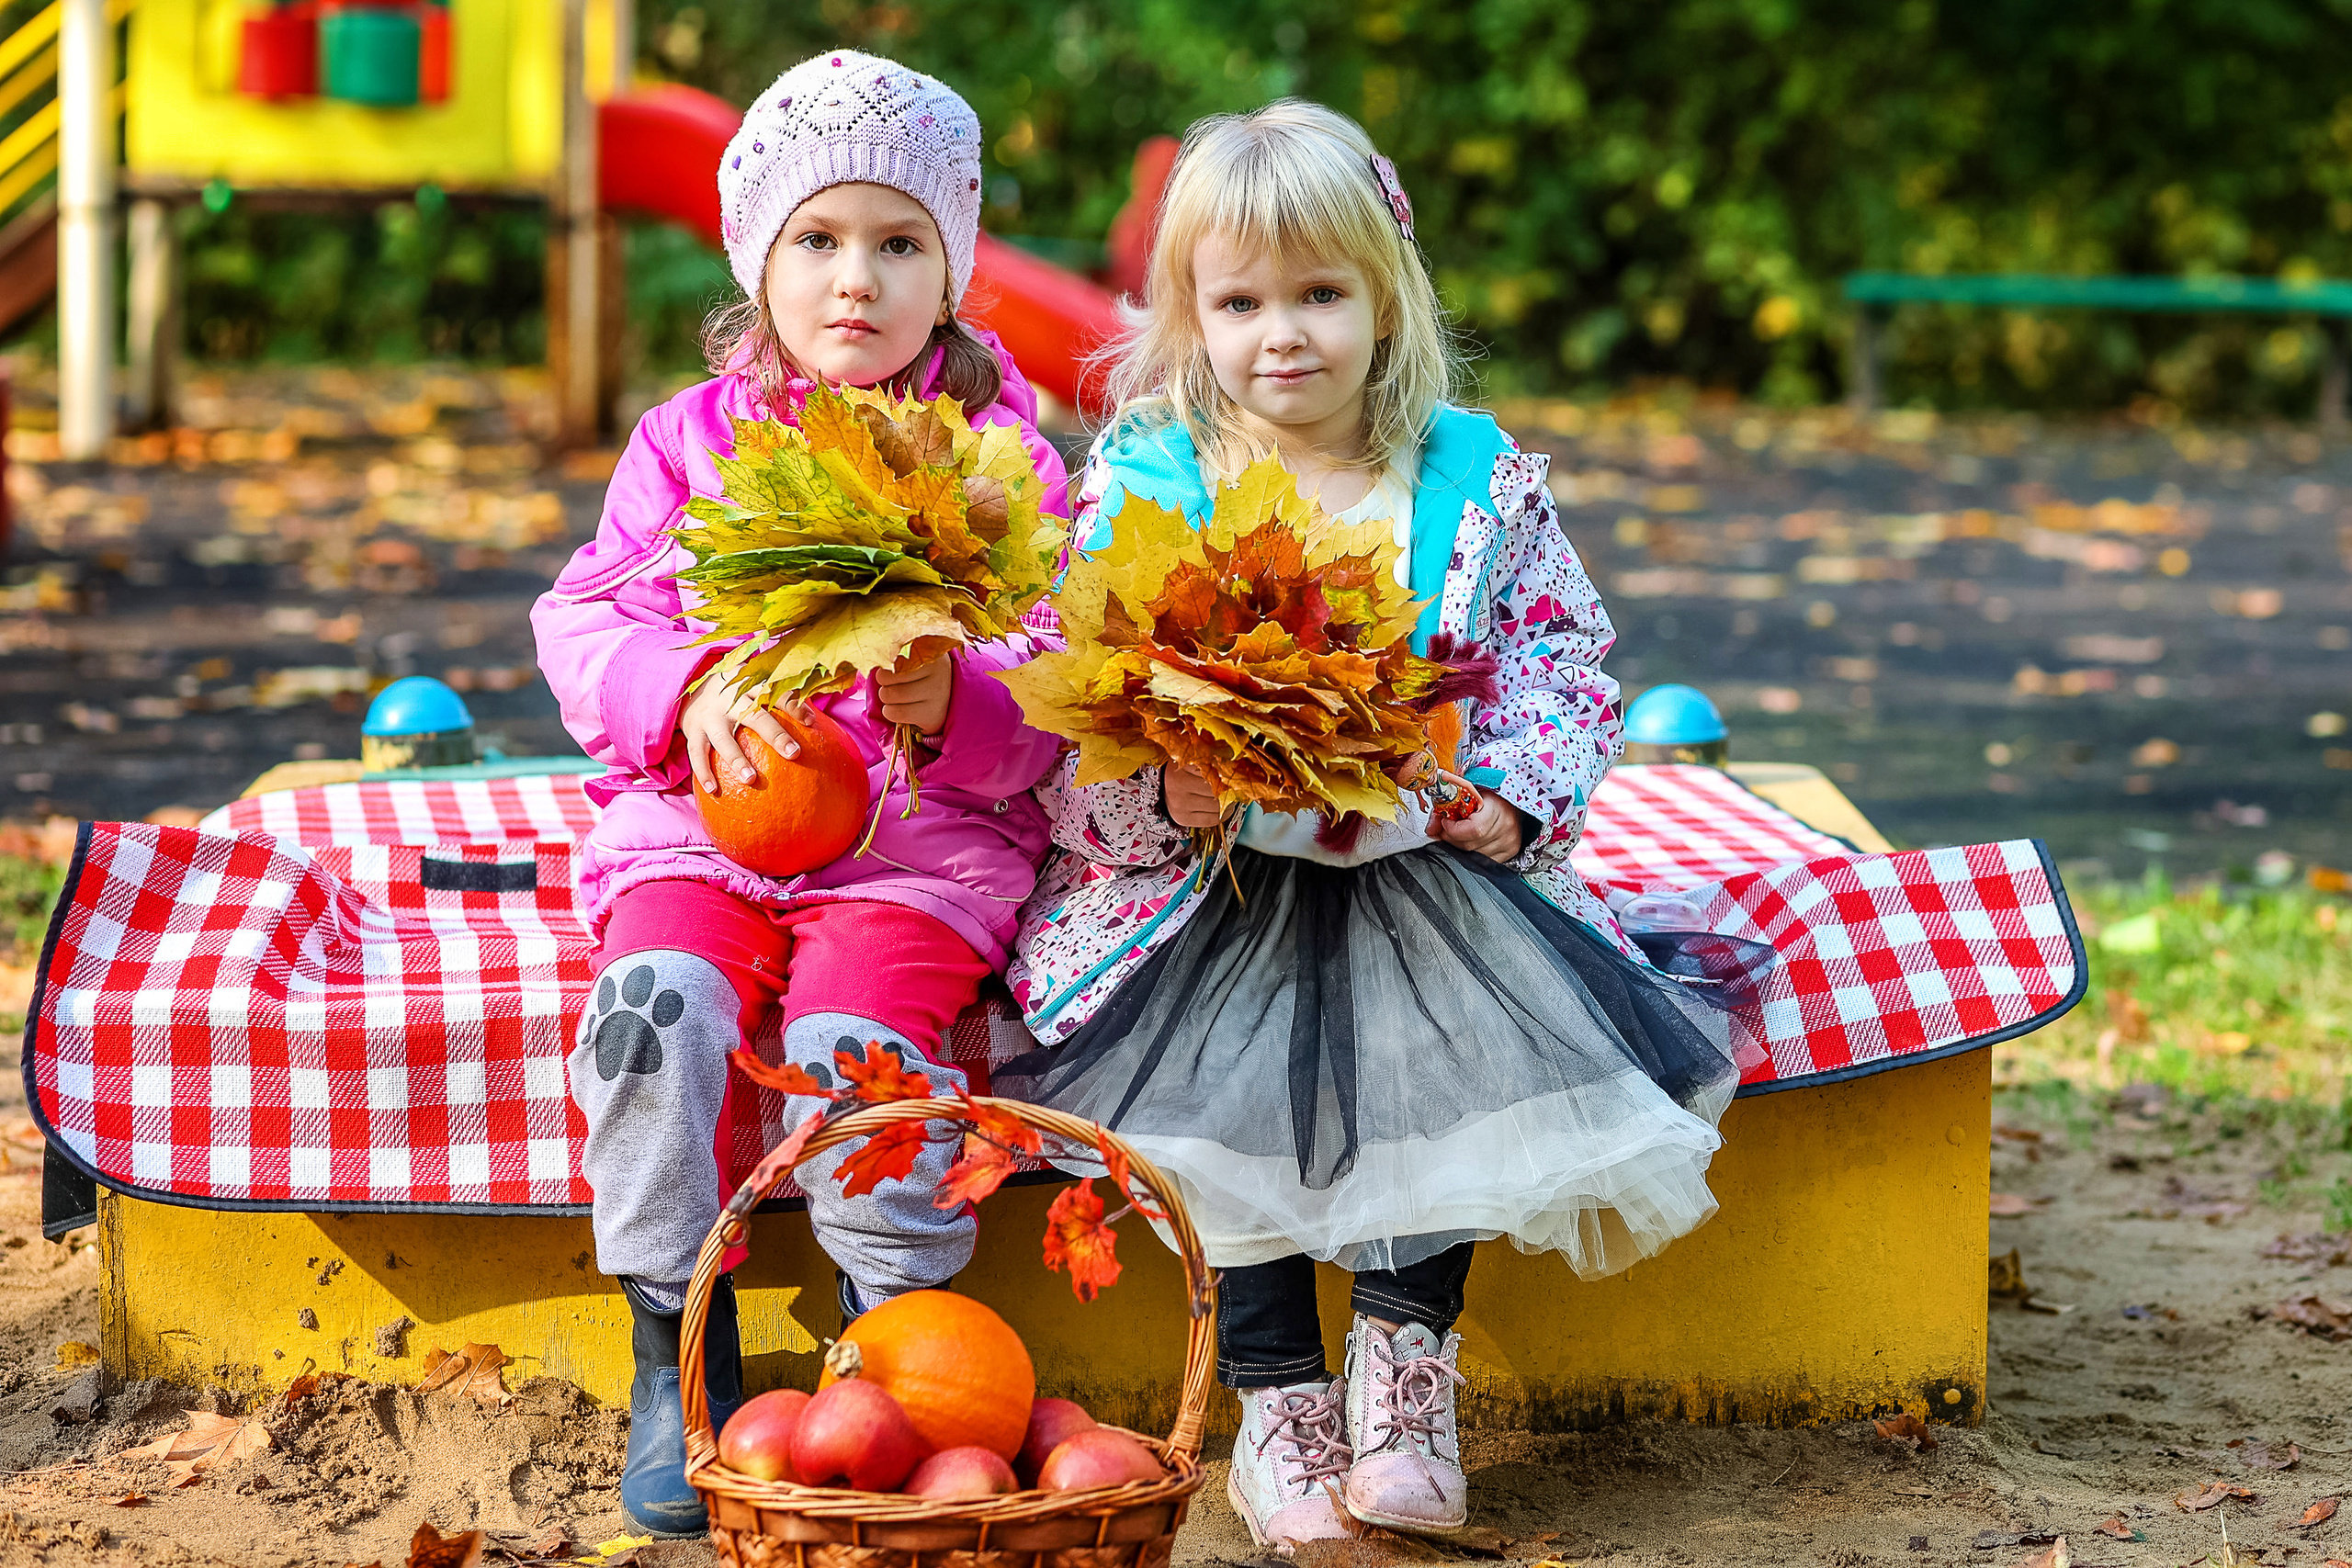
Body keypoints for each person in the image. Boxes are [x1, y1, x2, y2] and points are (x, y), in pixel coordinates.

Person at [997, 101, 1767, 1551]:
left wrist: (1514, 793)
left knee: (1443, 1077)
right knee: (1229, 1124)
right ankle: (1278, 1397)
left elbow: (1556, 656)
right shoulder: (1149, 486)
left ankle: (1407, 1373)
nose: (1281, 335)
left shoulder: (1471, 478)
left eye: (1319, 295)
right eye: (1240, 303)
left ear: (1386, 298)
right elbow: (1077, 688)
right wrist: (1157, 796)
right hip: (1212, 892)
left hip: (1424, 871)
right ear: (1188, 317)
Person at [533, 51, 1069, 1539]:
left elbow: (1057, 674)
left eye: (901, 245)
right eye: (818, 241)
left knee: (859, 1058)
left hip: (911, 855)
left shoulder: (999, 466)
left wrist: (955, 700)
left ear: (951, 274)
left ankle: (885, 1346)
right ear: (757, 261)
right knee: (655, 1011)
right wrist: (686, 691)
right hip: (707, 831)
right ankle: (671, 1341)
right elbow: (586, 623)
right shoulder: (689, 447)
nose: (857, 281)